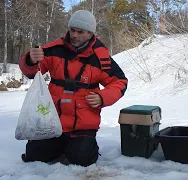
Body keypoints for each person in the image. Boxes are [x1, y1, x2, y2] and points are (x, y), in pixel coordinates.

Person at [18, 10, 128, 167]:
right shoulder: (54, 49)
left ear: (90, 33)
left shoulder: (100, 58)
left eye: (80, 32)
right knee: (35, 156)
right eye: (72, 30)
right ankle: (59, 146)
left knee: (82, 160)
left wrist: (103, 97)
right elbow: (32, 72)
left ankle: (80, 146)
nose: (75, 35)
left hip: (83, 123)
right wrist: (30, 59)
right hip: (52, 121)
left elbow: (120, 82)